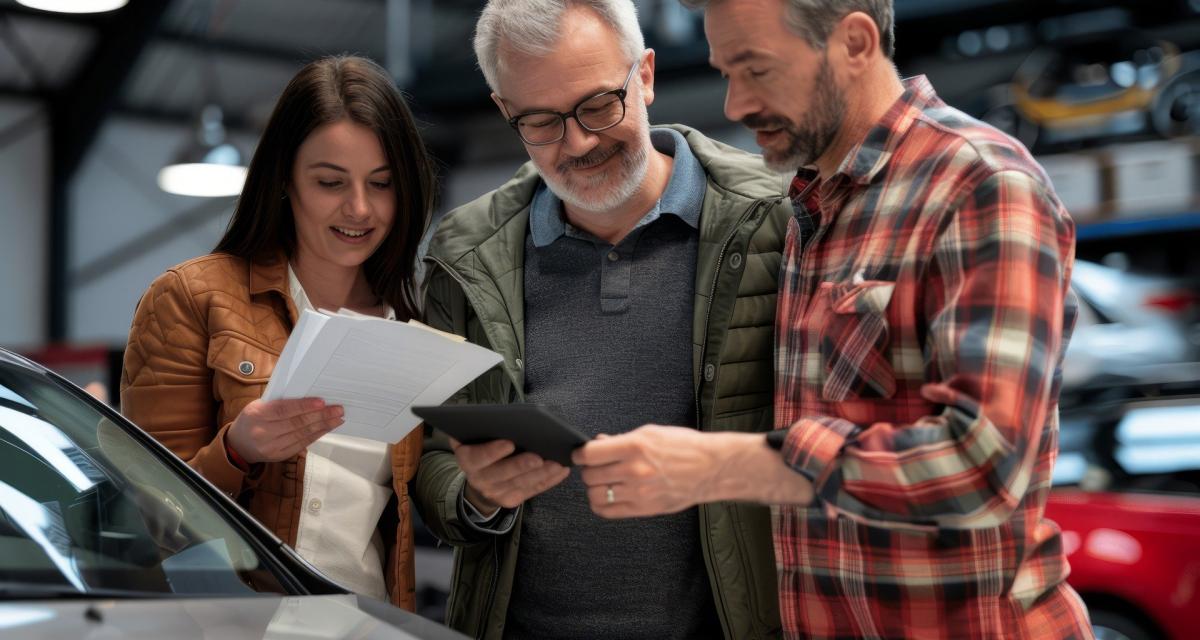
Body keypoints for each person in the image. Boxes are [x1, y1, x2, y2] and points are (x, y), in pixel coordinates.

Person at [573, 0, 1094, 638]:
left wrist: (718, 465)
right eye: (725, 73)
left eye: (756, 70)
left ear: (853, 42)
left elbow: (979, 467)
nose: (735, 104)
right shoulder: (813, 207)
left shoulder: (980, 185)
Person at [411, 1, 791, 638]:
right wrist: (475, 494)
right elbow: (432, 459)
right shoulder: (464, 254)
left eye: (596, 106)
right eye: (540, 121)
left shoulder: (774, 223)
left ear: (644, 75)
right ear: (506, 110)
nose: (577, 142)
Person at [120, 55, 436, 609]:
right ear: (284, 180)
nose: (359, 208)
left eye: (382, 183)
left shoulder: (413, 322)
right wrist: (237, 451)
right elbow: (141, 516)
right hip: (236, 624)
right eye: (330, 182)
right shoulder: (194, 298)